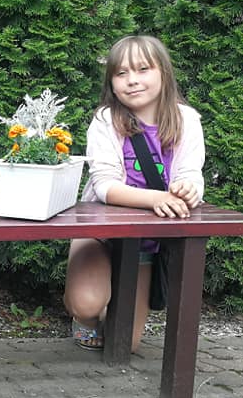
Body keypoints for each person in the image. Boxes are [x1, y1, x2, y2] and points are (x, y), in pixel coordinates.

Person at [64, 35, 205, 353]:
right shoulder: (106, 120)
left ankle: (112, 303)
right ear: (111, 82)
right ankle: (85, 315)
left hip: (144, 242)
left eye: (143, 69)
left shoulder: (187, 120)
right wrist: (157, 199)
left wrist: (187, 189)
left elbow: (191, 174)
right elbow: (105, 186)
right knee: (86, 303)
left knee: (125, 343)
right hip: (99, 233)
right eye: (121, 73)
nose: (132, 80)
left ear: (163, 72)